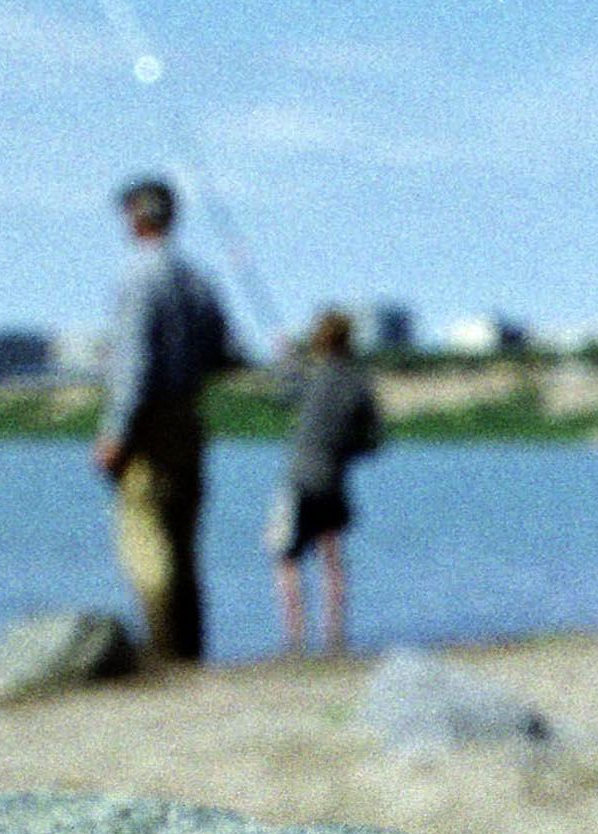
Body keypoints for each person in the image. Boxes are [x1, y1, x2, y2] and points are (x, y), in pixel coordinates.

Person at [93, 178, 238, 663]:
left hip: (148, 425)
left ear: (136, 217)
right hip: (189, 419)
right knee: (184, 539)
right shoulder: (199, 281)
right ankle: (191, 650)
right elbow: (225, 353)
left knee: (145, 536)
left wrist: (115, 433)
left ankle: (164, 650)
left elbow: (134, 365)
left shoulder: (137, 277)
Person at [266, 309, 382, 653]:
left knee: (285, 557)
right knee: (332, 559)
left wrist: (285, 361)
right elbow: (374, 440)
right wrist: (345, 451)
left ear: (319, 338)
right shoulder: (359, 384)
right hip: (334, 480)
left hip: (299, 479)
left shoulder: (311, 378)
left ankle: (296, 639)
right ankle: (335, 638)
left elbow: (283, 396)